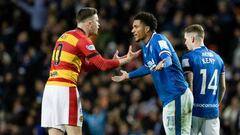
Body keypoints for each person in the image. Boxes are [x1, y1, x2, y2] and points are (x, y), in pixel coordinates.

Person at [41, 7, 140, 135]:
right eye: (97, 21)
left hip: (50, 89)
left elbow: (86, 66)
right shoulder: (82, 39)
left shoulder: (64, 36)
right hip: (66, 89)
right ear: (89, 23)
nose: (98, 24)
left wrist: (113, 61)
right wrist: (126, 59)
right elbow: (102, 65)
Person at [112, 11, 193, 135]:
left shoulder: (158, 40)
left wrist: (163, 63)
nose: (132, 30)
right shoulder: (146, 47)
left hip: (176, 96)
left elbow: (168, 58)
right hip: (174, 98)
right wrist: (128, 75)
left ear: (147, 28)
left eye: (136, 26)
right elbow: (148, 67)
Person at [181, 24, 226, 135]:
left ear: (192, 39)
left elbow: (188, 84)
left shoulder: (188, 57)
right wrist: (215, 105)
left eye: (186, 39)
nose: (185, 42)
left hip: (194, 112)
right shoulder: (218, 59)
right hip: (212, 112)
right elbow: (223, 87)